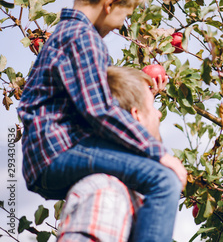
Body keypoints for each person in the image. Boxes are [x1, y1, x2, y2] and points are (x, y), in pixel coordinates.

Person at [18, 0, 186, 242]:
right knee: (162, 180)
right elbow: (99, 109)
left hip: (49, 153)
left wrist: (140, 90)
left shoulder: (66, 35)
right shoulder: (83, 38)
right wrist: (159, 154)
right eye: (126, 16)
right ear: (112, 3)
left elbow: (95, 92)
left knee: (133, 179)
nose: (122, 25)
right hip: (57, 152)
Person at [58, 66, 186, 242]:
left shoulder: (126, 192)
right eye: (151, 107)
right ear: (136, 115)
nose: (159, 113)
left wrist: (145, 97)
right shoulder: (107, 194)